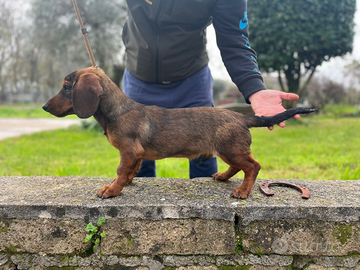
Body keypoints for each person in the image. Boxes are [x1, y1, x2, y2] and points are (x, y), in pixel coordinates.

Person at [121, 0, 300, 178]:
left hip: (192, 81)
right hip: (138, 79)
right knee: (136, 158)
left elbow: (234, 39)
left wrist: (255, 88)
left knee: (205, 157)